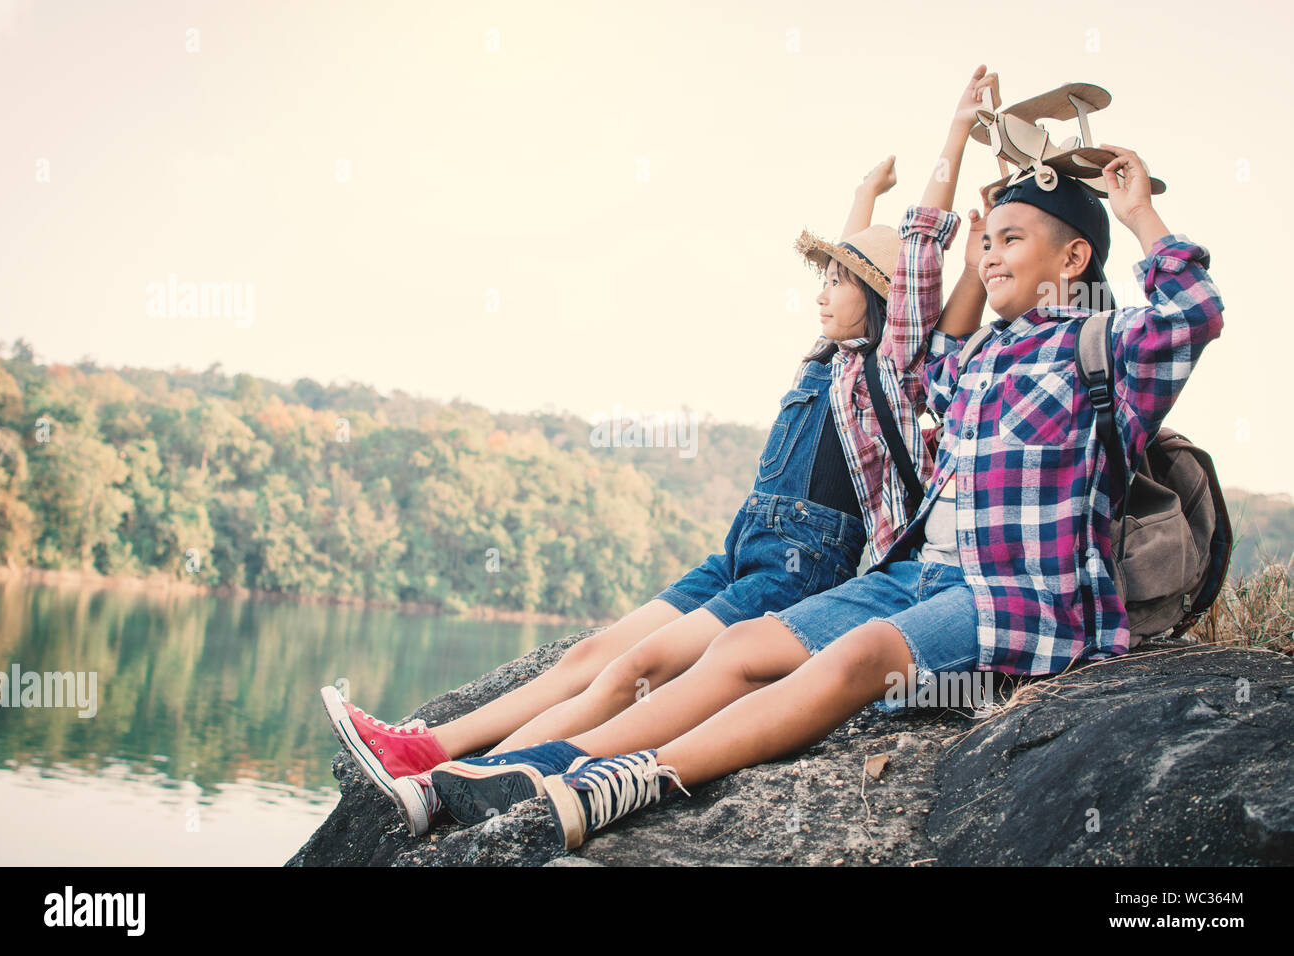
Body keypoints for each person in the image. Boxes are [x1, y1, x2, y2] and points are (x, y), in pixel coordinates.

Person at [535, 118, 1226, 852]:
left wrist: (1139, 210)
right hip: (919, 577)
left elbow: (1195, 311)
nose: (991, 257)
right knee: (742, 649)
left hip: (1019, 598)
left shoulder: (1104, 347)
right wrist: (971, 242)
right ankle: (556, 761)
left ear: (1075, 255)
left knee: (861, 656)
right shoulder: (985, 356)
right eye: (987, 242)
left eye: (1011, 241)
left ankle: (635, 778)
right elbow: (932, 350)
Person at [319, 140, 987, 835]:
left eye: (842, 280)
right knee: (590, 654)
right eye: (824, 275)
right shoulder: (826, 359)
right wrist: (863, 194)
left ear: (882, 299)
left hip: (798, 568)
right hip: (741, 547)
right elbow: (853, 261)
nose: (822, 289)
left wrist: (960, 129)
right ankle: (426, 747)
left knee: (635, 669)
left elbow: (916, 260)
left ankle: (450, 786)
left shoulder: (893, 373)